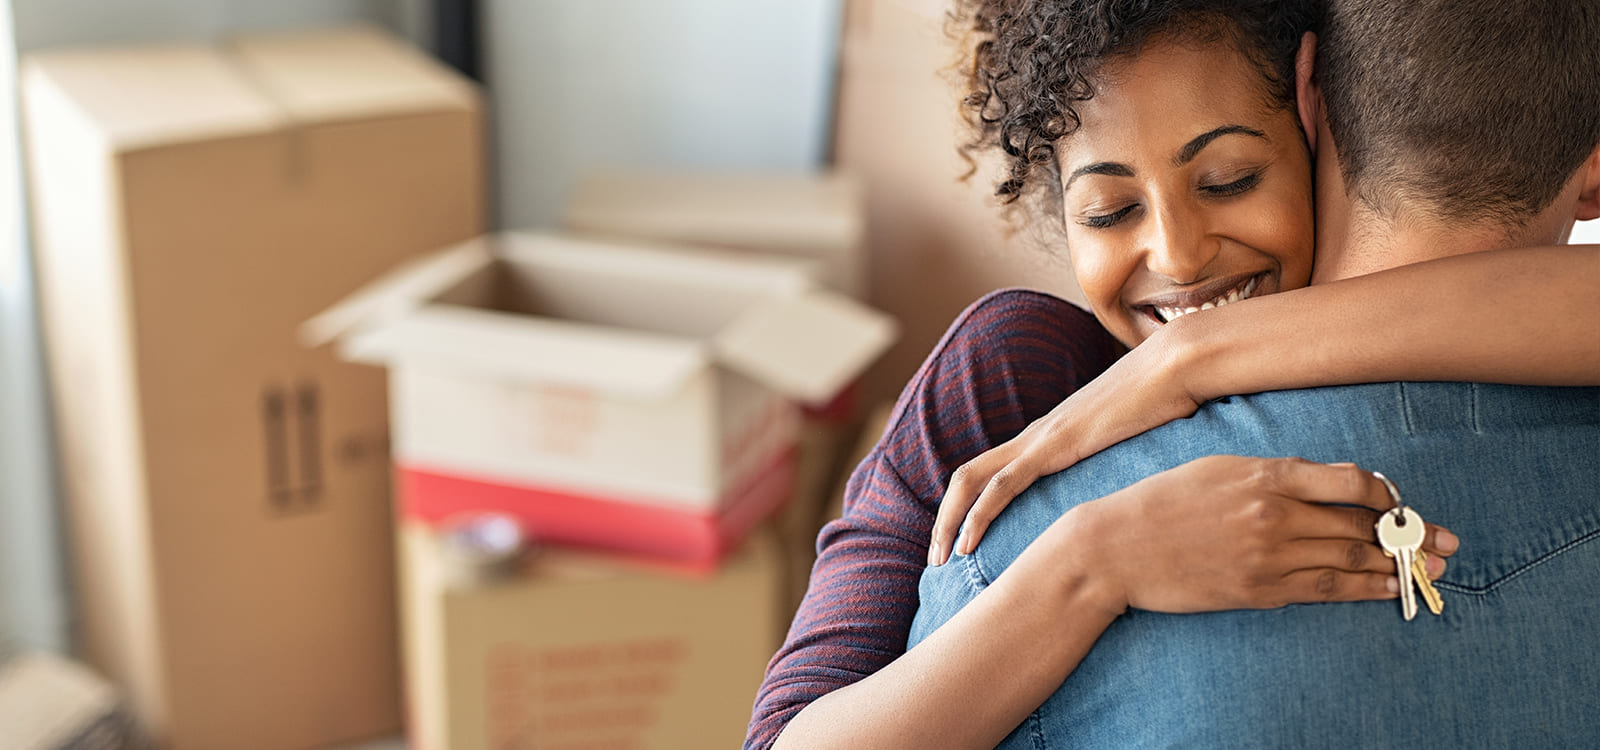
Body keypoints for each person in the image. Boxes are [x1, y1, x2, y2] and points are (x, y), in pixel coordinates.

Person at [746, 0, 1600, 747]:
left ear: (1315, 120)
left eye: (1230, 180)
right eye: (1111, 212)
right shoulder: (1013, 376)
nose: (1181, 255)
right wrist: (1091, 562)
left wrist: (1193, 358)